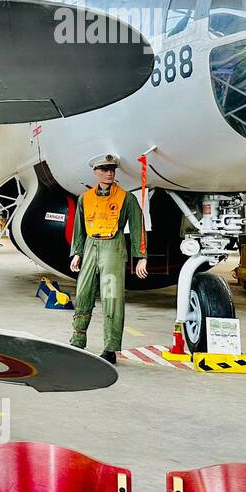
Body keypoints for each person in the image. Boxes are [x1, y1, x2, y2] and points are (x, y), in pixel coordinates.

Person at [69, 154, 148, 364]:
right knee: (83, 293)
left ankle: (111, 348)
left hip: (113, 247)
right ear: (95, 172)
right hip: (90, 246)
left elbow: (138, 226)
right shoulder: (85, 198)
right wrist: (76, 252)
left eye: (112, 169)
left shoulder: (126, 198)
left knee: (111, 296)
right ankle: (77, 340)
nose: (109, 173)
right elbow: (79, 228)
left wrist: (141, 257)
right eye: (104, 169)